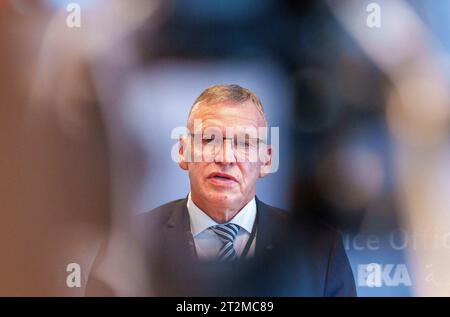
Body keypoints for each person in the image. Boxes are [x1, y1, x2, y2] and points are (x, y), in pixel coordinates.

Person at [87, 84, 356, 296]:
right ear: (183, 152)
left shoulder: (320, 250)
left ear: (267, 160)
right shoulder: (127, 244)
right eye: (209, 139)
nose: (226, 157)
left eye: (244, 143)